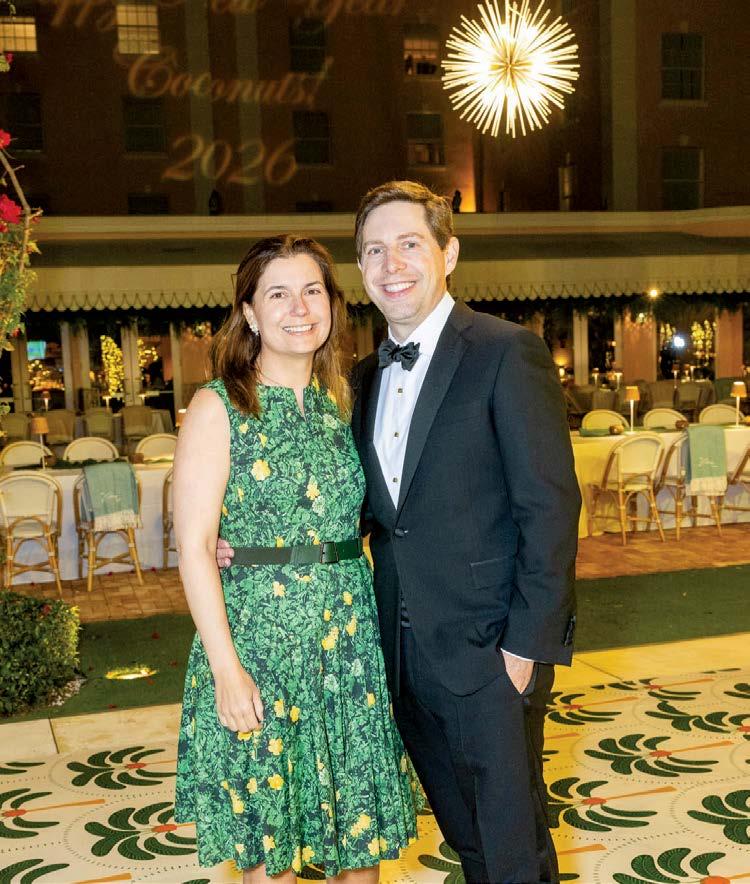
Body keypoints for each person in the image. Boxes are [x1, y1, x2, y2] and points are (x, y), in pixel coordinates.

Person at [219, 181, 581, 883]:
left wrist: (524, 647)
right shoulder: (357, 379)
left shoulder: (507, 352)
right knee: (467, 841)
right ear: (360, 268)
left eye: (409, 243)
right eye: (374, 250)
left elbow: (550, 507)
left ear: (449, 253)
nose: (392, 264)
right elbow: (358, 508)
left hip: (490, 653)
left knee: (512, 847)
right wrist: (253, 541)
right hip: (394, 656)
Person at [174, 235, 418, 883]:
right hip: (260, 647)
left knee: (359, 845)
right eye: (277, 293)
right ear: (249, 313)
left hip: (349, 648)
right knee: (271, 854)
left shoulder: (346, 404)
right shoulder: (219, 406)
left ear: (333, 304)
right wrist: (226, 671)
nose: (299, 308)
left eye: (312, 291)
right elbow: (194, 546)